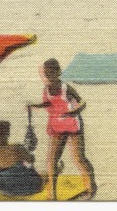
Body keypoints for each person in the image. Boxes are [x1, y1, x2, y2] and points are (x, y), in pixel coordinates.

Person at [28, 58, 96, 200]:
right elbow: (48, 104)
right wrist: (36, 106)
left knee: (79, 158)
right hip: (56, 126)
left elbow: (82, 102)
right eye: (45, 74)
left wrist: (74, 111)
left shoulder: (66, 88)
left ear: (58, 72)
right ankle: (52, 195)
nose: (47, 76)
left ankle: (91, 188)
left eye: (50, 73)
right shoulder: (46, 90)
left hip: (72, 124)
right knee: (51, 160)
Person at [0, 120, 43, 199]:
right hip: (29, 187)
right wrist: (30, 155)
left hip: (6, 190)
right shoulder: (17, 147)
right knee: (40, 175)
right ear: (7, 134)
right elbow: (30, 160)